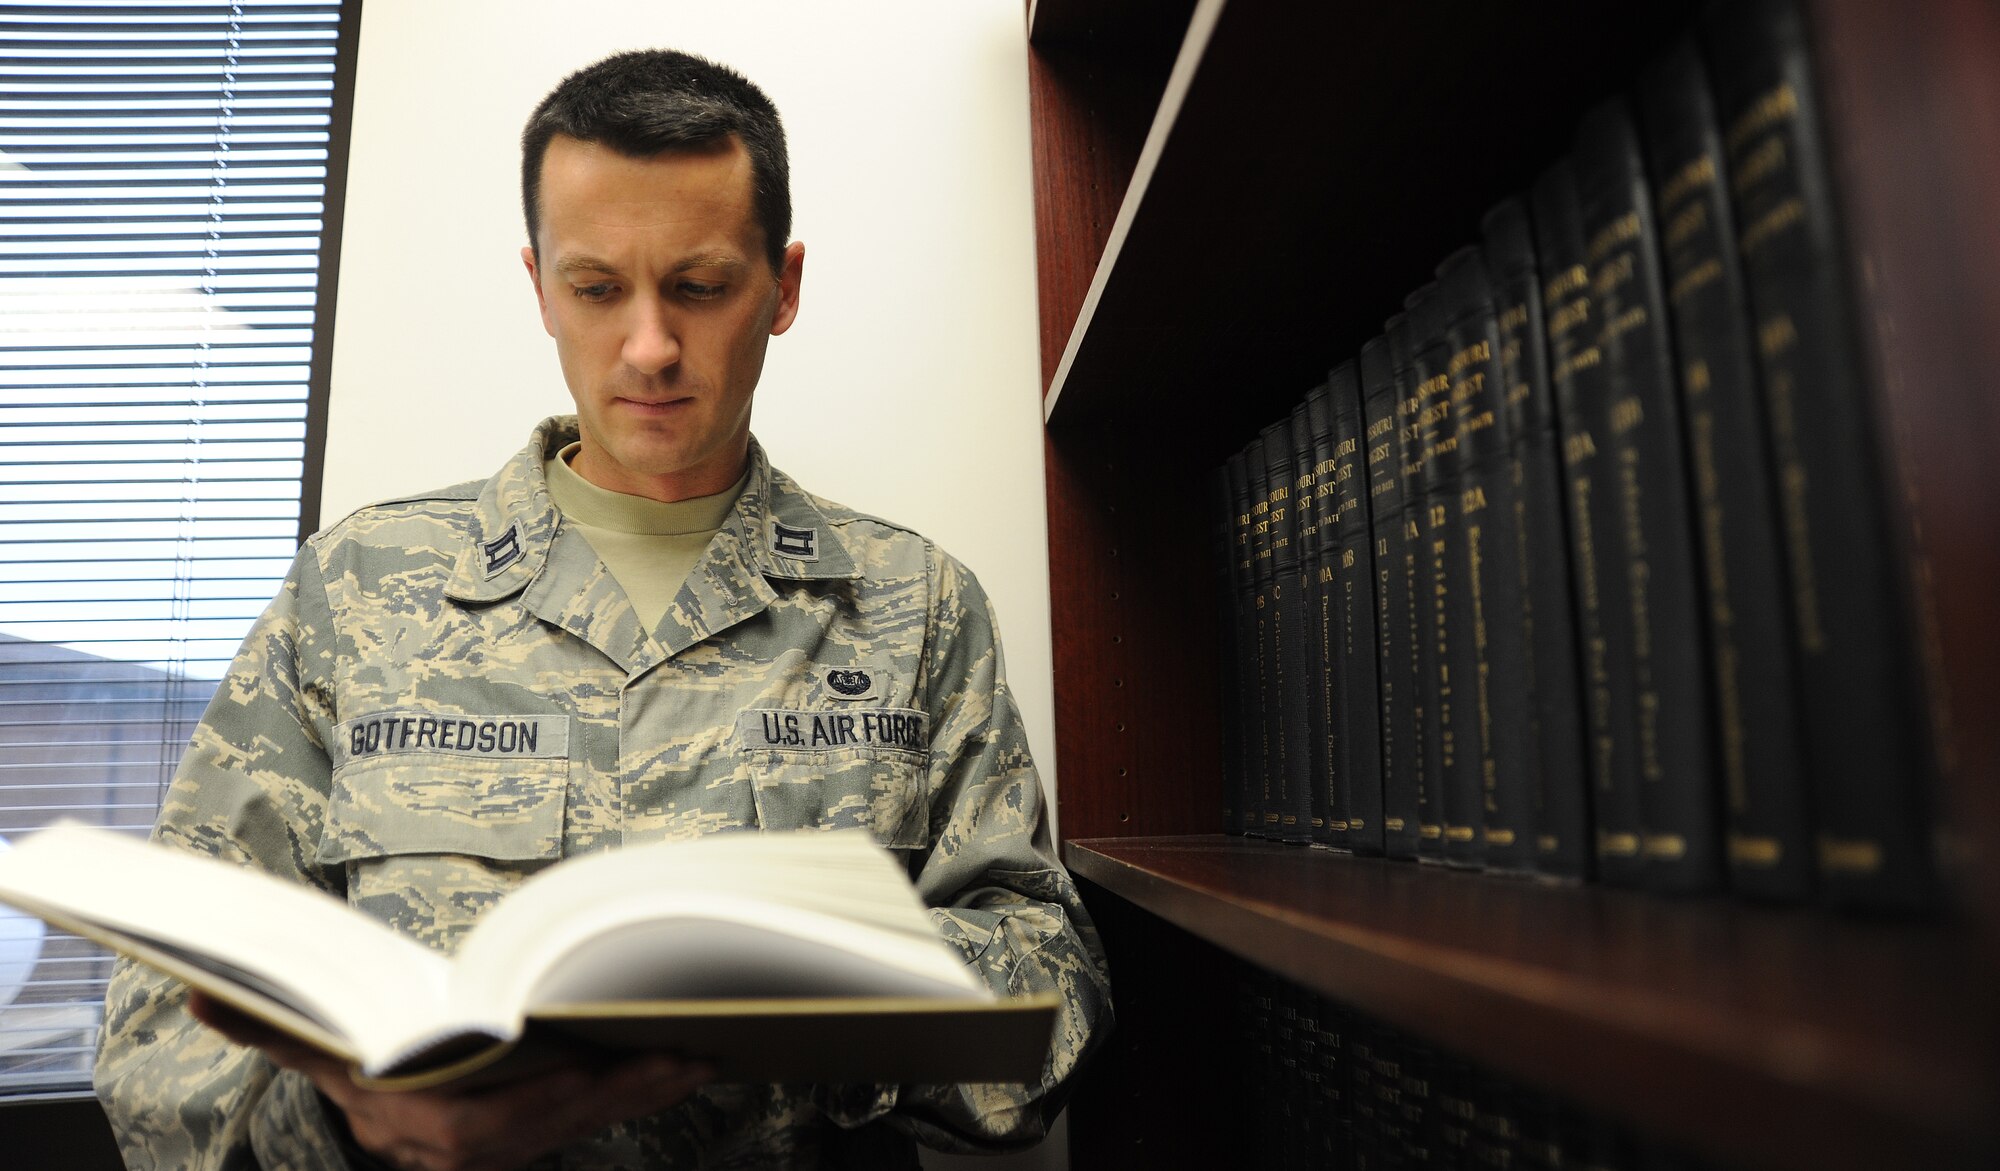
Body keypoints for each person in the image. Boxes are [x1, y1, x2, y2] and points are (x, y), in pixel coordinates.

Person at [94, 48, 1112, 1171]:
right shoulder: (355, 590)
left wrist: (823, 1008)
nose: (649, 348)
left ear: (783, 286)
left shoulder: (913, 606)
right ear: (537, 285)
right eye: (595, 289)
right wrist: (345, 1121)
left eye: (700, 285)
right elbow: (157, 1020)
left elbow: (1049, 992)